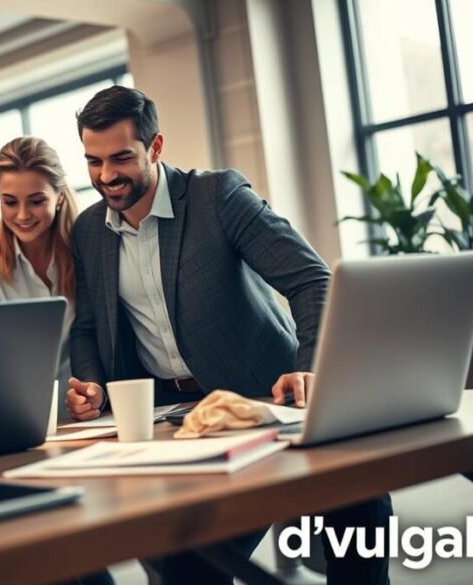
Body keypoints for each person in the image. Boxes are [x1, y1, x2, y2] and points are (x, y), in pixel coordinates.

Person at [66, 86, 390, 584]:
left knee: (361, 512)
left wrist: (307, 366)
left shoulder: (216, 196)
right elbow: (87, 328)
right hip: (173, 423)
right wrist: (89, 384)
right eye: (93, 161)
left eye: (120, 158)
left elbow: (310, 279)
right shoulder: (88, 230)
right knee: (187, 565)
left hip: (261, 398)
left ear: (155, 148)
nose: (106, 175)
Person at [0, 136, 79, 408]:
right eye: (10, 202)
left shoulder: (84, 248)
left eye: (37, 201)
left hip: (90, 410)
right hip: (17, 410)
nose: (23, 214)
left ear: (59, 196)